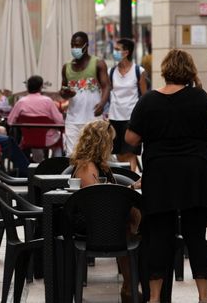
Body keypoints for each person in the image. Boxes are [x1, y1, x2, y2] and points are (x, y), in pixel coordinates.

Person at [126, 49, 207, 303]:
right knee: (195, 234)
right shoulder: (198, 97)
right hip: (195, 174)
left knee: (159, 235)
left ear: (165, 71)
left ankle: (154, 298)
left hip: (160, 175)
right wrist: (200, 90)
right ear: (190, 72)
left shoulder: (148, 100)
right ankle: (203, 297)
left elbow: (131, 138)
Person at [71, 120, 141, 303]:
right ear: (101, 142)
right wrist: (130, 190)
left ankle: (131, 286)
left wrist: (132, 188)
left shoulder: (100, 166)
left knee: (134, 227)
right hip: (90, 225)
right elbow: (98, 200)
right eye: (110, 141)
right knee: (130, 231)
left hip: (102, 219)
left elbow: (109, 197)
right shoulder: (87, 167)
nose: (112, 145)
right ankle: (131, 287)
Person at [60, 31, 110, 154]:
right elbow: (63, 91)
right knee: (72, 155)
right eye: (72, 45)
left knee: (94, 154)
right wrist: (66, 93)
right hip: (73, 120)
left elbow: (106, 86)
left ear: (86, 46)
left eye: (77, 45)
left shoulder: (98, 63)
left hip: (93, 119)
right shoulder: (66, 67)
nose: (74, 48)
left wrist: (102, 104)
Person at [108, 38, 147, 171]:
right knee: (119, 153)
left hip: (132, 118)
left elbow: (144, 96)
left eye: (117, 49)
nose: (114, 52)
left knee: (130, 152)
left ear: (126, 52)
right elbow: (108, 92)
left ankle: (131, 179)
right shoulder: (111, 72)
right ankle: (123, 179)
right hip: (114, 117)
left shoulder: (138, 71)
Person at [7, 75, 65, 160]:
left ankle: (38, 162)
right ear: (41, 87)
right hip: (48, 139)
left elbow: (10, 121)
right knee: (59, 140)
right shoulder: (47, 101)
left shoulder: (21, 102)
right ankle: (57, 163)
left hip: (28, 139)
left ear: (27, 87)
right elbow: (60, 121)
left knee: (34, 135)